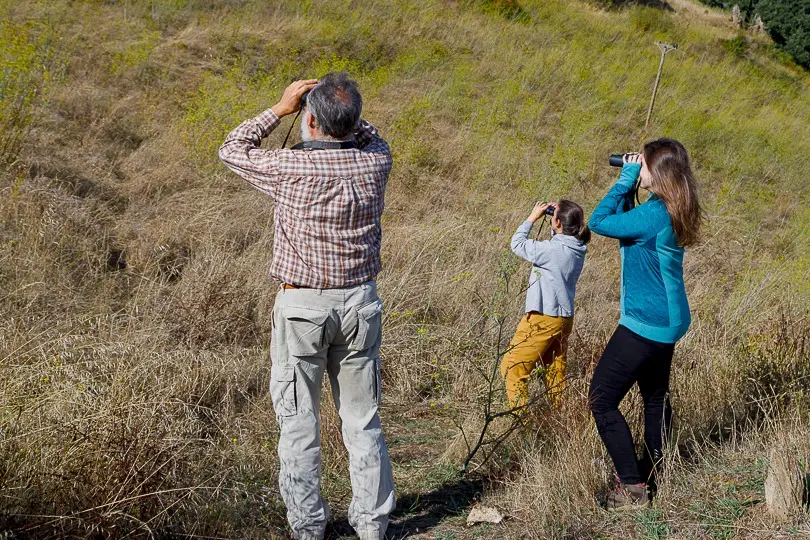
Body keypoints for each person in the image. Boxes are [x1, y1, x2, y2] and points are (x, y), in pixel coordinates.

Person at [219, 73, 395, 540]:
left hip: (302, 307)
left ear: (310, 120)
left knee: (299, 423)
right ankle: (373, 525)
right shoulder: (375, 161)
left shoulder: (289, 167)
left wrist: (280, 108)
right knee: (362, 420)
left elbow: (232, 148)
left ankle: (308, 526)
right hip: (360, 302)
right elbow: (371, 134)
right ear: (353, 124)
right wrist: (344, 112)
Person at [587, 139, 702, 510]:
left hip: (646, 323)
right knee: (654, 399)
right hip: (668, 320)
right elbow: (626, 227)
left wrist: (624, 178)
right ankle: (655, 472)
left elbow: (598, 222)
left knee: (602, 399)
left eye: (644, 163)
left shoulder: (654, 214)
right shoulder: (669, 206)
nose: (639, 167)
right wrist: (634, 184)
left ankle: (633, 488)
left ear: (658, 171)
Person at [501, 200, 590, 411]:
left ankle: (522, 425)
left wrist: (533, 217)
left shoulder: (551, 250)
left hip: (543, 317)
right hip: (563, 318)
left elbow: (517, 244)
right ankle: (559, 417)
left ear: (558, 222)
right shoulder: (577, 247)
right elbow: (560, 242)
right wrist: (556, 220)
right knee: (554, 373)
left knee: (513, 368)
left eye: (553, 215)